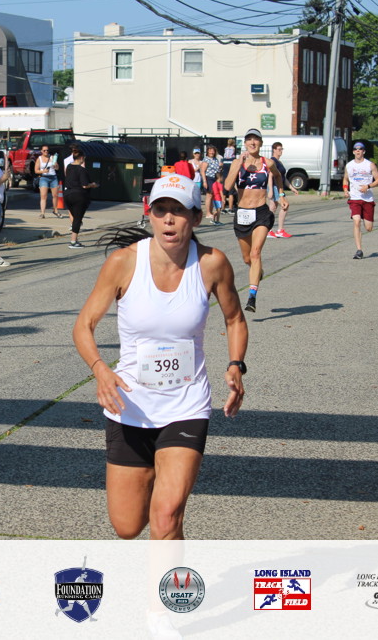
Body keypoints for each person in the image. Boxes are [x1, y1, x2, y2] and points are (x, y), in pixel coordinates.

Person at [72, 174, 247, 540]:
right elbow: (83, 326)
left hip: (186, 405)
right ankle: (156, 481)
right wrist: (100, 370)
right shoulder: (123, 263)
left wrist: (236, 365)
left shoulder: (212, 264)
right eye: (160, 210)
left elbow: (234, 319)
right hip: (130, 406)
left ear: (195, 217)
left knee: (166, 517)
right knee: (127, 526)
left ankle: (169, 577)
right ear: (149, 214)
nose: (168, 219)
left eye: (178, 211)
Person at [223, 128, 283, 313]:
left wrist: (281, 195)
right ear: (245, 143)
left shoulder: (268, 162)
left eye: (256, 139)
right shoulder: (237, 162)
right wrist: (238, 165)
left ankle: (251, 297)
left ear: (261, 143)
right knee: (247, 258)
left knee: (256, 253)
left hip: (261, 213)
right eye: (249, 139)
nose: (252, 142)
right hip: (243, 213)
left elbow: (278, 176)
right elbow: (227, 186)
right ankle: (258, 271)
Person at [342, 141, 378, 260]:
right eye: (356, 149)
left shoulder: (370, 165)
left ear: (363, 151)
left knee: (368, 228)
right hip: (355, 198)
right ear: (353, 152)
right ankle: (359, 250)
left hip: (367, 199)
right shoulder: (349, 165)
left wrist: (368, 186)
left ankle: (365, 218)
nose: (358, 151)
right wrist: (345, 190)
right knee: (356, 221)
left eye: (360, 149)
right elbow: (345, 179)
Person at [63, 146, 99, 249]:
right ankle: (73, 242)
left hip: (67, 194)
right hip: (78, 195)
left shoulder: (69, 167)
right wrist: (93, 185)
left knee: (76, 218)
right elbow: (84, 185)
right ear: (82, 158)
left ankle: (75, 239)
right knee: (78, 219)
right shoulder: (82, 170)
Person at [267, 141, 299, 239]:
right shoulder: (272, 161)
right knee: (285, 205)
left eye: (282, 149)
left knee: (273, 208)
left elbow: (283, 178)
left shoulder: (279, 162)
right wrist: (270, 190)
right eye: (279, 149)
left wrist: (292, 188)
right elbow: (270, 176)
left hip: (279, 187)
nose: (281, 151)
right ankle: (279, 230)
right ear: (274, 150)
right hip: (274, 187)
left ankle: (269, 230)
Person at [34, 144, 61, 218]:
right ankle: (42, 213)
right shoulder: (39, 159)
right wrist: (43, 171)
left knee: (55, 195)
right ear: (41, 151)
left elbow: (57, 168)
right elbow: (36, 171)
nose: (46, 151)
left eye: (47, 150)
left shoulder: (52, 157)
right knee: (43, 196)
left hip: (53, 177)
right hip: (44, 178)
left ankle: (55, 210)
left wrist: (55, 165)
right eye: (44, 150)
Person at [200, 145, 222, 223]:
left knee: (213, 196)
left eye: (213, 150)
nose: (212, 152)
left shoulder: (216, 159)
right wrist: (204, 181)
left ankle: (211, 211)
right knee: (209, 195)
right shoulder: (206, 159)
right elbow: (202, 171)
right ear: (208, 151)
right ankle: (208, 213)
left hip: (215, 178)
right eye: (210, 150)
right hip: (208, 178)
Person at [222, 138, 237, 214]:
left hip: (225, 172)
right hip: (230, 173)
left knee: (224, 192)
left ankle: (223, 208)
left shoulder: (225, 149)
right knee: (231, 193)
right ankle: (230, 208)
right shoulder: (233, 149)